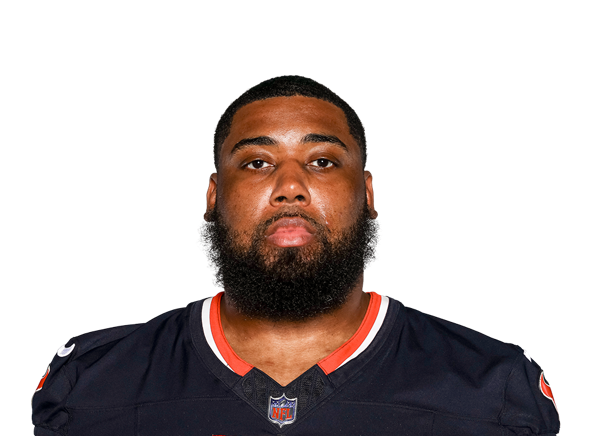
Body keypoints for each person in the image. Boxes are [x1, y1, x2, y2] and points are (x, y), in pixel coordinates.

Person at [32, 75, 560, 435]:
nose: (290, 187)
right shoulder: (91, 382)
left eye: (322, 161)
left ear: (367, 194)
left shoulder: (493, 388)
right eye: (257, 163)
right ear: (213, 197)